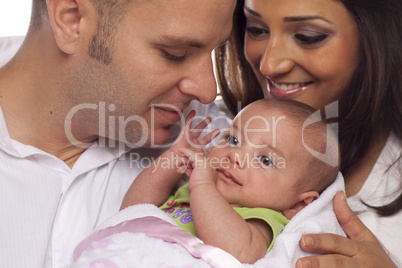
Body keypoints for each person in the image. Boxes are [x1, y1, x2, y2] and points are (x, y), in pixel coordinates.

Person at [0, 0, 236, 267]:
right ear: (71, 19)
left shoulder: (215, 139)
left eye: (214, 51)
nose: (207, 89)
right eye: (175, 53)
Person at [214, 0, 402, 267]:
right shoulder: (206, 126)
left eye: (307, 37)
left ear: (378, 37)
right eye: (256, 29)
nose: (269, 65)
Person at [121, 98, 340, 264]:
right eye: (233, 139)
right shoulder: (187, 188)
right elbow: (132, 209)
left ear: (298, 204)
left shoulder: (263, 219)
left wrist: (203, 186)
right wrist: (173, 157)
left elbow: (239, 254)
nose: (235, 155)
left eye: (265, 160)